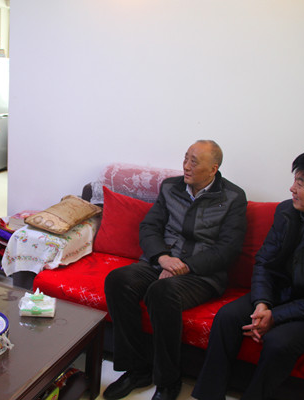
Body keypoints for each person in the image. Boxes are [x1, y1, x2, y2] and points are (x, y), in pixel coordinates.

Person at [192, 148, 304, 400]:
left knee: (279, 341)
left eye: (300, 183)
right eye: (294, 180)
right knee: (227, 317)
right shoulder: (287, 212)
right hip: (283, 293)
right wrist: (262, 303)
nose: (292, 189)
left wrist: (275, 316)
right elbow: (265, 262)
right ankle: (208, 394)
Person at [103, 140, 248, 400]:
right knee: (118, 280)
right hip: (162, 262)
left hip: (201, 274)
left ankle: (168, 381)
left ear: (213, 169)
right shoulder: (171, 187)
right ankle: (137, 370)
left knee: (162, 292)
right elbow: (149, 227)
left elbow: (228, 249)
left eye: (194, 161)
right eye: (185, 158)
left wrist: (185, 266)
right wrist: (163, 258)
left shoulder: (233, 197)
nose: (186, 166)